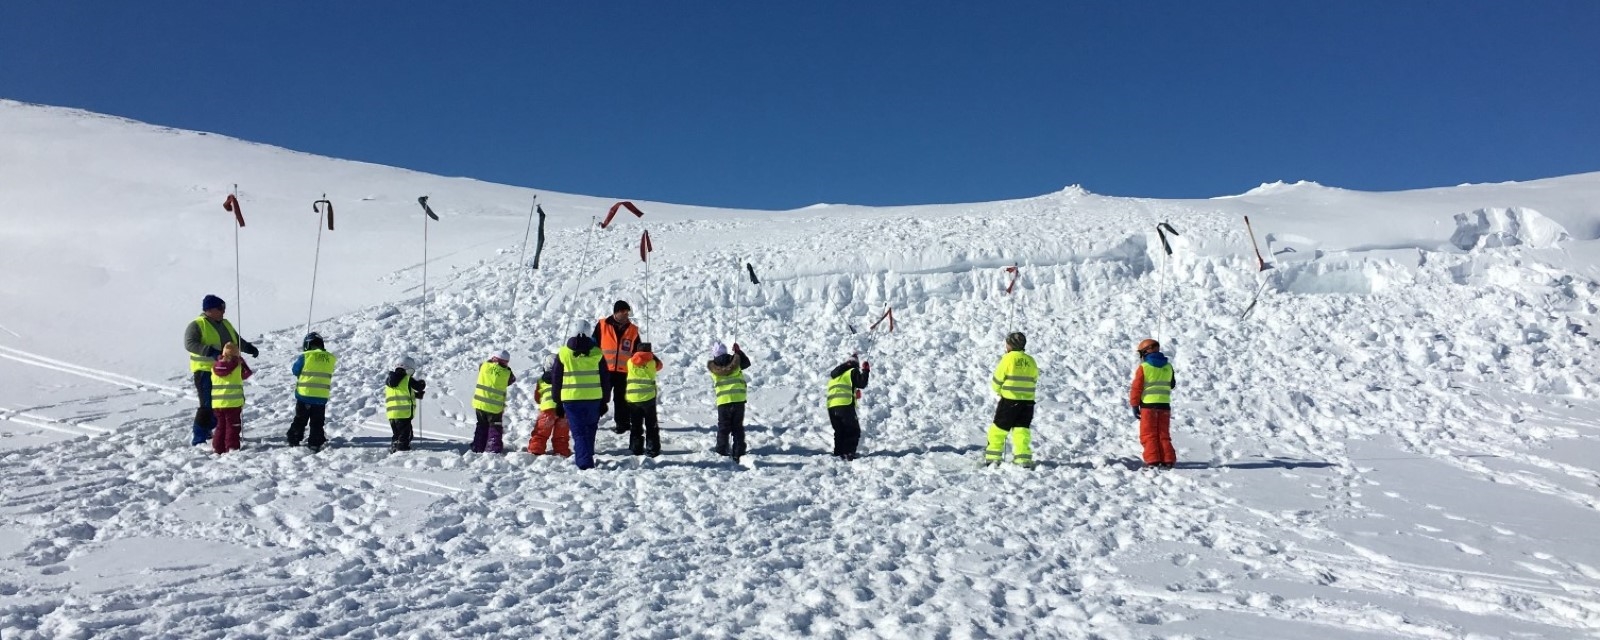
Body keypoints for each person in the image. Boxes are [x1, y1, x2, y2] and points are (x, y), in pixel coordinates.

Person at [183, 295, 258, 446]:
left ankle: (216, 432)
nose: (224, 311)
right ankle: (199, 437)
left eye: (224, 308)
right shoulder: (197, 324)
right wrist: (209, 351)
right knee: (207, 405)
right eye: (220, 308)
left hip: (227, 372)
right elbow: (190, 344)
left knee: (222, 404)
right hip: (205, 371)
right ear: (209, 310)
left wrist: (249, 348)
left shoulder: (225, 324)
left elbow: (236, 341)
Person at [552, 325, 610, 469]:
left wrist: (557, 401)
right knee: (590, 428)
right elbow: (605, 378)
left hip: (571, 399)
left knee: (579, 432)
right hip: (594, 398)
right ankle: (587, 453)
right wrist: (605, 400)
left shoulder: (563, 353)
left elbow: (556, 378)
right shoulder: (597, 353)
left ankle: (584, 462)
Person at [984, 332, 1038, 468]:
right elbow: (1035, 378)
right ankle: (1023, 459)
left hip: (1009, 401)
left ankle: (993, 458)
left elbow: (997, 379)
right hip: (1027, 403)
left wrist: (998, 390)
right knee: (1021, 431)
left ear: (1010, 345)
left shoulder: (1007, 359)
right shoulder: (1031, 360)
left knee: (998, 429)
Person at [592, 301, 640, 434]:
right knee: (599, 397)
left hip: (623, 372)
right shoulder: (602, 325)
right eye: (623, 312)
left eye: (627, 312)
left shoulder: (633, 329)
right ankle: (591, 422)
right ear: (616, 312)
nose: (626, 315)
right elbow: (593, 344)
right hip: (604, 370)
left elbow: (637, 350)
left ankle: (623, 424)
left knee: (621, 399)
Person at [1129, 338, 1177, 469]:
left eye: (1141, 353)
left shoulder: (1144, 368)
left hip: (1148, 407)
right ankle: (1168, 459)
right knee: (1163, 434)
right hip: (1165, 406)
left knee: (1149, 434)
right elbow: (1172, 384)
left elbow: (1136, 388)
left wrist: (1134, 404)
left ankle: (1153, 460)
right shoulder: (1168, 366)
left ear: (1146, 352)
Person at [287, 332, 337, 452]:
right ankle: (315, 442)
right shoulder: (330, 358)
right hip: (320, 398)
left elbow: (295, 370)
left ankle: (294, 438)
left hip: (304, 396)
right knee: (317, 422)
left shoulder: (305, 356)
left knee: (300, 419)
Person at [707, 342, 752, 462]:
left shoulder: (714, 367)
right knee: (737, 427)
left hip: (723, 401)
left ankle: (721, 451)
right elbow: (747, 363)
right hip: (738, 400)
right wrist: (738, 353)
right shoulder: (735, 362)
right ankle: (739, 452)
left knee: (723, 427)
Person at [210, 342, 253, 454]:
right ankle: (232, 447)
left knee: (221, 426)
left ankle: (217, 447)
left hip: (217, 403)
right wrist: (242, 362)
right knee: (232, 426)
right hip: (233, 403)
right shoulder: (237, 366)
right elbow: (247, 374)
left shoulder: (214, 367)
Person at [825, 355, 871, 460]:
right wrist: (866, 370)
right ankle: (849, 453)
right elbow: (862, 383)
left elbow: (841, 389)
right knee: (853, 430)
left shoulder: (835, 376)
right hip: (844, 405)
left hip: (832, 407)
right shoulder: (852, 371)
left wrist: (854, 394)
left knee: (840, 431)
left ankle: (838, 453)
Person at [470, 350, 516, 454]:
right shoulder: (507, 373)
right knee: (495, 428)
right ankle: (493, 449)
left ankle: (477, 447)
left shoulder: (484, 366)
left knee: (481, 425)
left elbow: (483, 364)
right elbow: (512, 380)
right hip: (495, 407)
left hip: (480, 404)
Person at [623, 342, 664, 457]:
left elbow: (633, 358)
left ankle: (636, 448)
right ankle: (652, 448)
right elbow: (660, 365)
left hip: (633, 398)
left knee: (636, 424)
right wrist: (652, 355)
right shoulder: (652, 363)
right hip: (648, 398)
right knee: (651, 424)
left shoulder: (630, 362)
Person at [527, 355, 572, 457]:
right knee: (561, 435)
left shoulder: (541, 380)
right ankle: (562, 451)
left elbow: (537, 397)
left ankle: (536, 449)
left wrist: (541, 401)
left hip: (547, 410)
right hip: (564, 410)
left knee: (541, 432)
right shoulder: (566, 378)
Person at [384, 356, 427, 453]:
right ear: (408, 368)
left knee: (397, 434)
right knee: (405, 435)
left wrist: (416, 395)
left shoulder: (389, 381)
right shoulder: (407, 379)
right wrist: (422, 384)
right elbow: (419, 386)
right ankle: (403, 451)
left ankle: (394, 447)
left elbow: (401, 394)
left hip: (392, 415)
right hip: (403, 413)